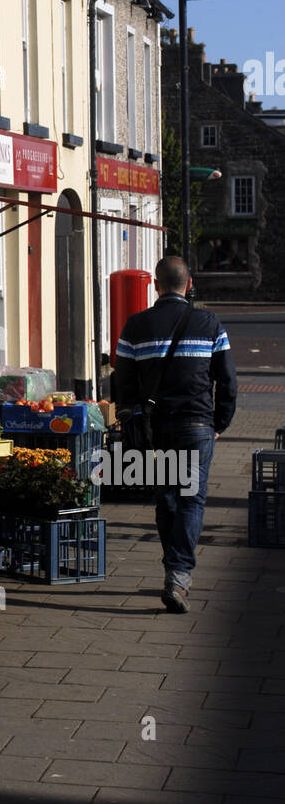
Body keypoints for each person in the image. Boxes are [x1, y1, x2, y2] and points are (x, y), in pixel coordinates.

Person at [113, 255, 237, 613]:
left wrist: (131, 415)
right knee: (191, 499)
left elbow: (123, 380)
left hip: (156, 428)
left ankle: (174, 569)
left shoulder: (136, 326)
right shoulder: (209, 323)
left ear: (156, 284)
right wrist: (221, 423)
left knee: (167, 497)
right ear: (190, 283)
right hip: (197, 425)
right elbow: (227, 380)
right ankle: (179, 574)